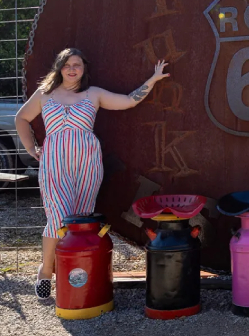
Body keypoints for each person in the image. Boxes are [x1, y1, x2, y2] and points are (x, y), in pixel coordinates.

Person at [15, 48, 169, 299]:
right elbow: (22, 118)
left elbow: (129, 100)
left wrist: (152, 79)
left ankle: (73, 271)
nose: (72, 69)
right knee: (58, 216)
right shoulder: (45, 94)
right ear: (59, 67)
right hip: (54, 163)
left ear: (84, 68)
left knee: (80, 218)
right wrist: (32, 147)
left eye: (77, 64)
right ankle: (46, 270)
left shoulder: (93, 94)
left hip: (87, 163)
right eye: (67, 65)